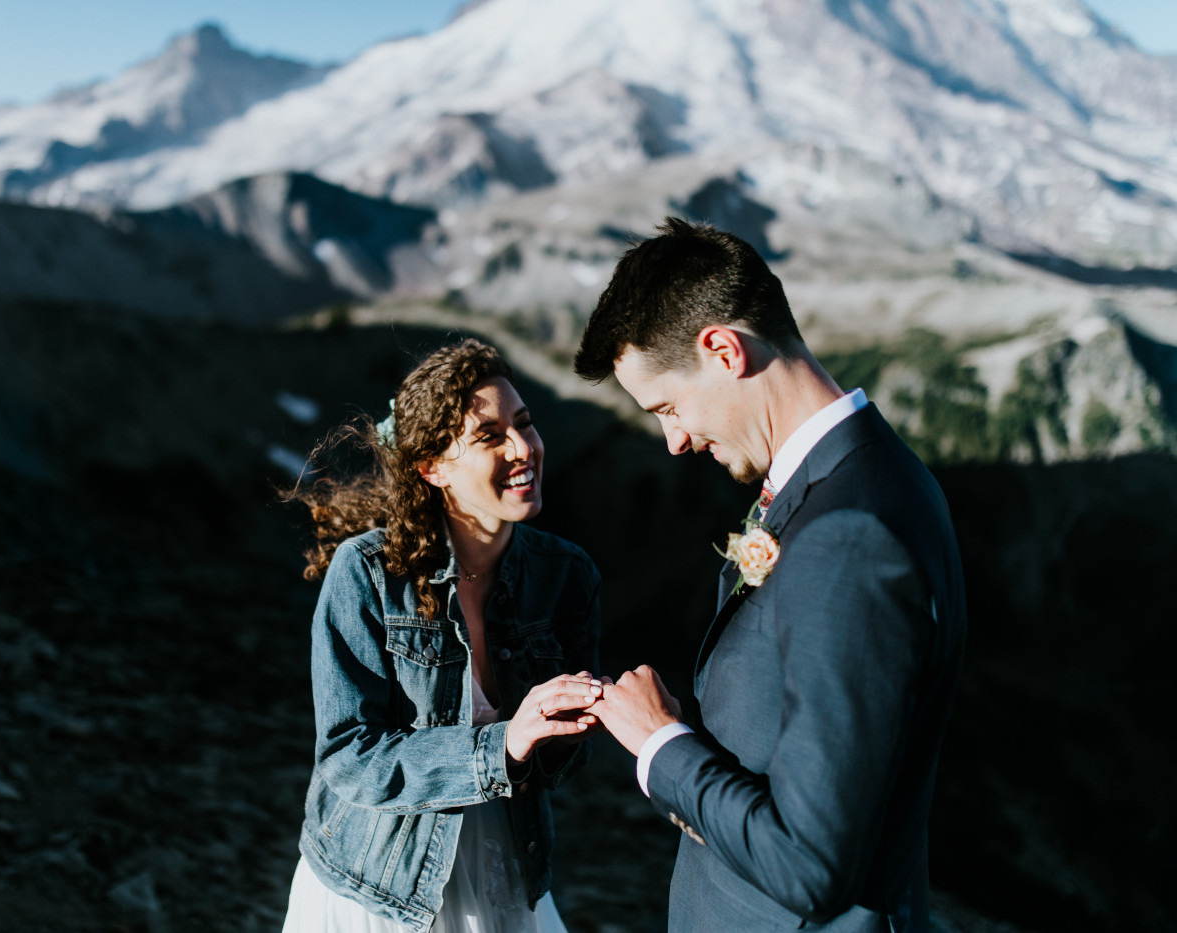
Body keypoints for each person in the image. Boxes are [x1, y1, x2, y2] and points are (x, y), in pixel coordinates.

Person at [573, 218, 966, 932]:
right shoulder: (860, 479)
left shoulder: (851, 536)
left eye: (667, 405)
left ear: (723, 350)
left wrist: (661, 743)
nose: (675, 439)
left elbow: (809, 863)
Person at [280, 338, 603, 933]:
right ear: (432, 468)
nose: (522, 447)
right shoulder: (368, 573)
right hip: (377, 884)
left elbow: (557, 766)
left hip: (507, 870)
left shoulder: (567, 575)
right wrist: (503, 744)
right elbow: (349, 756)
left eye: (524, 424)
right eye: (488, 436)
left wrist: (579, 724)